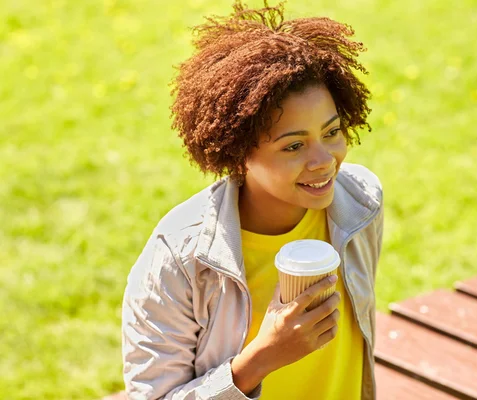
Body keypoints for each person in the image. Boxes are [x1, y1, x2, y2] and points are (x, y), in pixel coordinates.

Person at [121, 1, 384, 399]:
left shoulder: (359, 204)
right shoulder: (181, 257)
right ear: (239, 154)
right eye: (294, 145)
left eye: (331, 132)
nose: (324, 161)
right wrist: (261, 358)